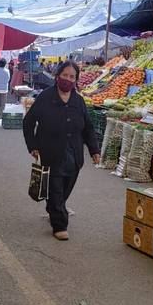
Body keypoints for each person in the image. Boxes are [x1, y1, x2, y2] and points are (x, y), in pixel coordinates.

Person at [23, 61, 101, 241]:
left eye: (72, 77)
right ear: (57, 76)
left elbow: (88, 128)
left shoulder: (78, 101)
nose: (68, 79)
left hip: (73, 155)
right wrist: (33, 145)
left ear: (76, 80)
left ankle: (54, 208)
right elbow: (28, 123)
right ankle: (59, 224)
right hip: (51, 152)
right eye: (65, 75)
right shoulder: (45, 97)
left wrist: (94, 150)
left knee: (65, 188)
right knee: (55, 187)